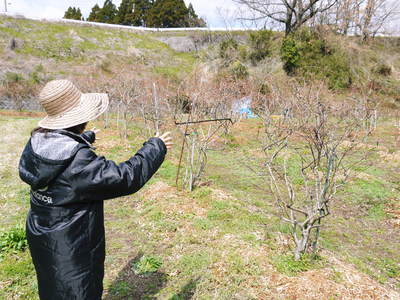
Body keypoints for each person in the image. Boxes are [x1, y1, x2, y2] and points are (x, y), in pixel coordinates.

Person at [18, 79, 172, 300]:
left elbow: (61, 150)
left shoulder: (37, 141)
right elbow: (125, 177)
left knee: (52, 286)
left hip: (43, 232)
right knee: (79, 291)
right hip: (72, 243)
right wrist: (155, 146)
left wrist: (84, 138)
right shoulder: (77, 160)